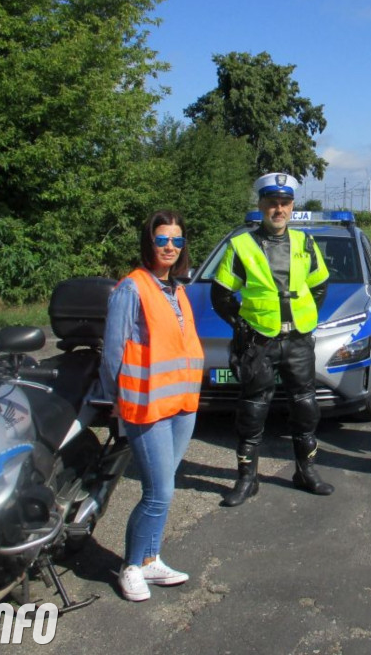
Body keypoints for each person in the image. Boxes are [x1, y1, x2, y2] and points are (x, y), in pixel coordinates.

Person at [211, 172, 332, 507]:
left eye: (285, 203)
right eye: (272, 202)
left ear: (292, 206)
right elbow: (221, 295)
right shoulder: (241, 245)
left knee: (306, 407)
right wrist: (242, 327)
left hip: (297, 342)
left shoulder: (305, 243)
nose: (279, 209)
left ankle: (305, 471)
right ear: (261, 205)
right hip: (259, 343)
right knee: (252, 410)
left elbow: (320, 284)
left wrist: (305, 317)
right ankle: (247, 479)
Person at [102, 210, 205, 602]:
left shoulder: (176, 288)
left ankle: (150, 559)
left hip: (181, 404)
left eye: (177, 240)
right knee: (158, 491)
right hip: (146, 407)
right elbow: (113, 353)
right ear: (150, 242)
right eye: (163, 239)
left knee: (164, 486)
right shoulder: (132, 288)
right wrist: (116, 400)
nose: (170, 246)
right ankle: (130, 566)